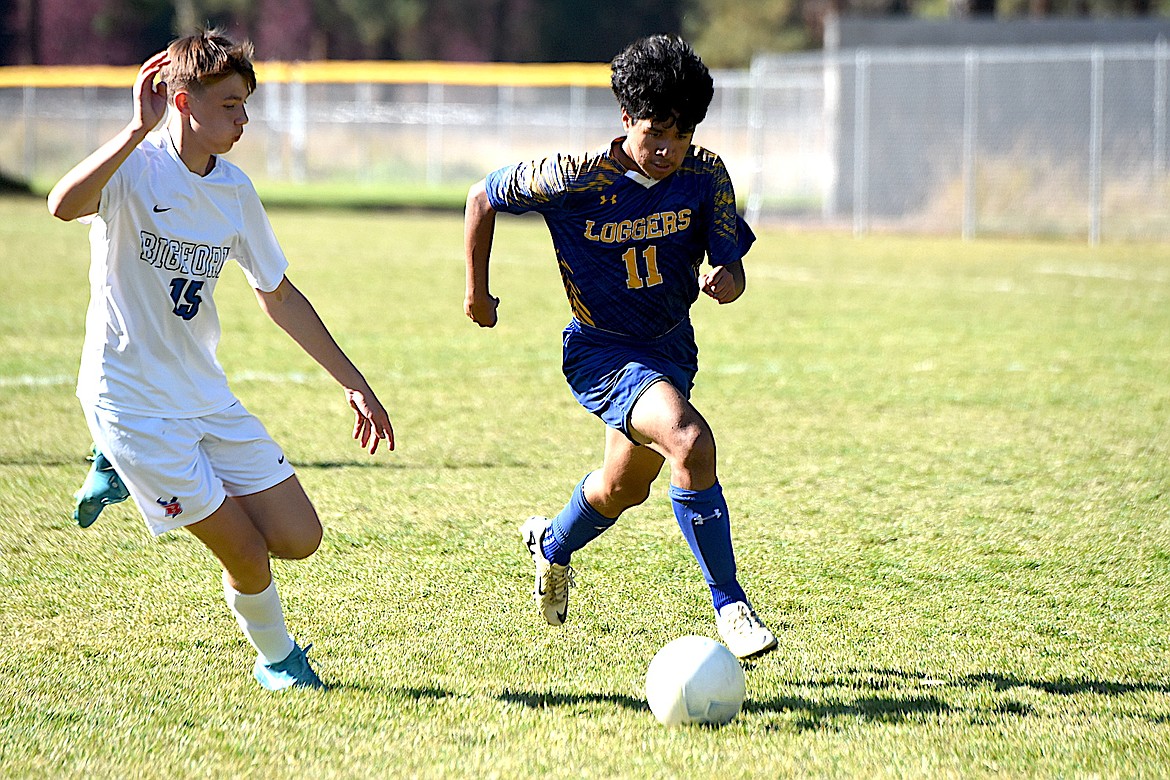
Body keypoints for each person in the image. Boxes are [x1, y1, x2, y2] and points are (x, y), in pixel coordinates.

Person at [47, 29, 394, 690]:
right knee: (245, 549)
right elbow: (62, 206)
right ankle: (278, 659)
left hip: (203, 394)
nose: (243, 118)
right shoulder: (137, 168)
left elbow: (279, 294)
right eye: (230, 104)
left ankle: (110, 465)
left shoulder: (233, 190)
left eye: (245, 105)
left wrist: (355, 384)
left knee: (299, 536)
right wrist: (130, 129)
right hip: (133, 403)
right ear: (183, 102)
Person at [463, 34, 776, 659]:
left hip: (670, 349)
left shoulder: (705, 173)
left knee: (620, 489)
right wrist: (478, 292)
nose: (667, 149)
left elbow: (731, 266)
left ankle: (550, 545)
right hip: (603, 353)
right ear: (626, 116)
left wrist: (728, 279)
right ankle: (730, 604)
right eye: (655, 131)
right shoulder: (572, 176)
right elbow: (480, 198)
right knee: (691, 440)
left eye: (681, 134)